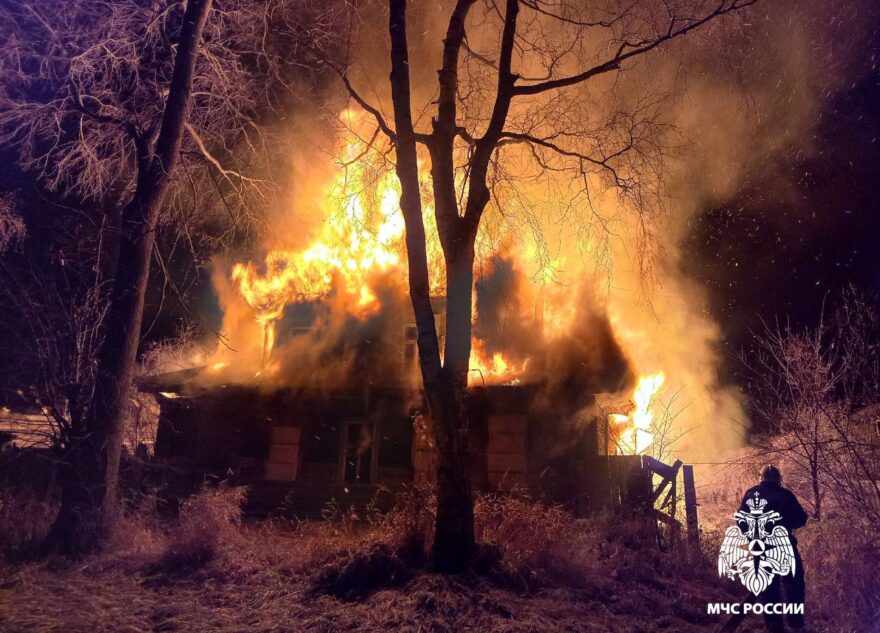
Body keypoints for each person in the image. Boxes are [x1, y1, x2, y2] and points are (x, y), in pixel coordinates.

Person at [739, 465, 809, 632]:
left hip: (761, 548)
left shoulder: (750, 493)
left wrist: (753, 538)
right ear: (778, 478)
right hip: (785, 547)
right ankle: (795, 623)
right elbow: (800, 519)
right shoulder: (786, 495)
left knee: (768, 588)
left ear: (761, 478)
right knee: (794, 584)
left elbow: (742, 521)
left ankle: (774, 626)